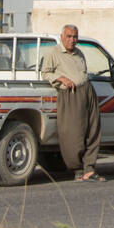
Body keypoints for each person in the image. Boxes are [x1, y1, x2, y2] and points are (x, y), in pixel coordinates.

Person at [40, 24, 103, 181]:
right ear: (62, 37)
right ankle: (77, 169)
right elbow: (45, 73)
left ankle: (89, 168)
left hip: (87, 90)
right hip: (70, 94)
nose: (72, 40)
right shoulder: (53, 53)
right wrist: (61, 78)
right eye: (69, 36)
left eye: (75, 37)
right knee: (73, 134)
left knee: (93, 129)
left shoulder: (79, 53)